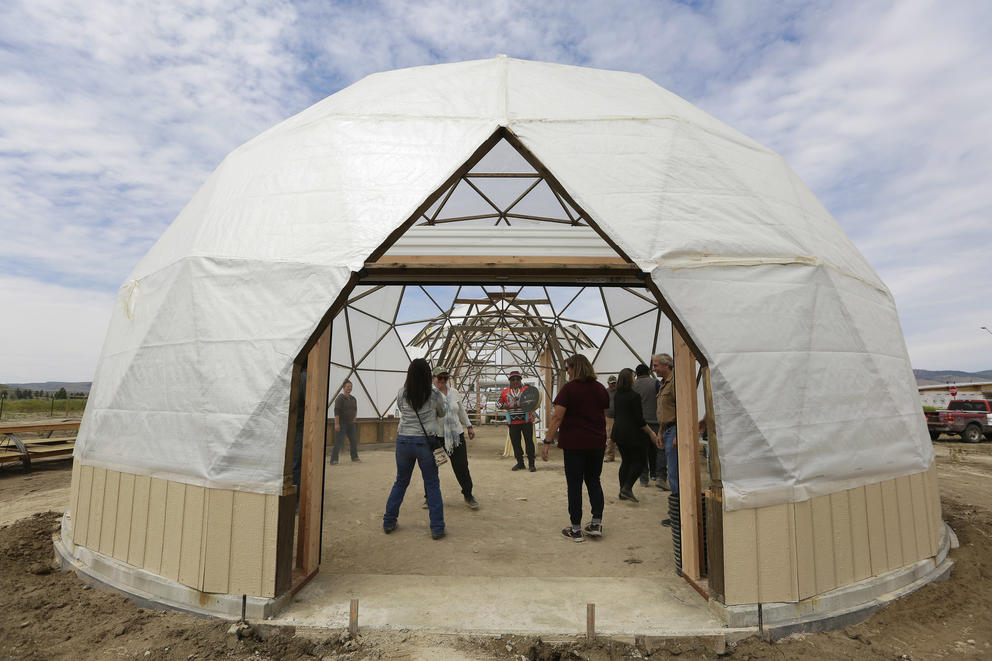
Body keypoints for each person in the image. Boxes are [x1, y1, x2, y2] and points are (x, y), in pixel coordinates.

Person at [541, 354, 610, 542]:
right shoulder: (600, 389)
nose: (567, 371)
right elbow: (602, 414)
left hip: (575, 444)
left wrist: (547, 441)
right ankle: (596, 523)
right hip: (596, 443)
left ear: (575, 368)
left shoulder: (569, 389)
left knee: (574, 484)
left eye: (568, 368)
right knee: (594, 481)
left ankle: (576, 529)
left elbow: (557, 417)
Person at [383, 358, 447, 539]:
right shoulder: (434, 394)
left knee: (401, 482)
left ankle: (389, 521)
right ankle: (437, 527)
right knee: (432, 483)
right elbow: (442, 412)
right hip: (425, 442)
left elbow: (403, 411)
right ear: (428, 375)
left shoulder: (402, 393)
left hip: (403, 440)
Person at [432, 366, 479, 509]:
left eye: (445, 377)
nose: (442, 380)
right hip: (437, 437)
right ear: (433, 378)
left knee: (462, 466)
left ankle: (468, 494)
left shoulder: (454, 392)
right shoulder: (429, 395)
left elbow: (461, 411)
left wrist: (469, 426)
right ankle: (430, 497)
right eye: (439, 377)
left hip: (456, 435)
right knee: (432, 468)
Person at [611, 368, 660, 502]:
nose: (635, 378)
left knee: (626, 461)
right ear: (629, 379)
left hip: (619, 432)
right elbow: (639, 419)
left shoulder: (617, 395)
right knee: (640, 462)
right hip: (631, 434)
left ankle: (623, 491)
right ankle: (627, 488)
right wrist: (650, 433)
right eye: (633, 376)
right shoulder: (634, 396)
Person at [652, 353, 678, 526]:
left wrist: (679, 434)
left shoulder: (675, 382)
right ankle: (676, 512)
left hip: (675, 430)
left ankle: (678, 515)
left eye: (656, 365)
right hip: (667, 430)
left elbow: (683, 408)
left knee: (674, 473)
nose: (654, 369)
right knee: (672, 472)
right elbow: (664, 413)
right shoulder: (663, 384)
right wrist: (660, 432)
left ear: (666, 365)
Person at [498, 370, 537, 472]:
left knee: (529, 443)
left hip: (526, 421)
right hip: (513, 423)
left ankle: (532, 464)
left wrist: (524, 404)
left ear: (520, 380)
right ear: (510, 381)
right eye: (513, 379)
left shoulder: (527, 389)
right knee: (516, 444)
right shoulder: (504, 392)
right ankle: (520, 463)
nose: (515, 381)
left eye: (517, 379)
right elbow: (498, 404)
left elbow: (534, 400)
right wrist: (503, 406)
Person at [633, 363, 662, 487]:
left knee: (642, 452)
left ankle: (643, 479)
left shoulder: (633, 385)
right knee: (656, 450)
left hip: (639, 424)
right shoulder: (655, 383)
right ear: (648, 372)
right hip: (655, 422)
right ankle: (656, 475)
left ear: (637, 373)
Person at [331, 379, 361, 464]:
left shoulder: (353, 398)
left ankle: (354, 457)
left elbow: (355, 409)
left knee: (354, 441)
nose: (349, 388)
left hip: (351, 423)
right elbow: (336, 411)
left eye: (351, 387)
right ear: (343, 388)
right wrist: (337, 424)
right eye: (348, 386)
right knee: (339, 441)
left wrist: (355, 417)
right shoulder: (340, 398)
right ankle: (334, 460)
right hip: (342, 423)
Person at [604, 375, 618, 462]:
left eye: (614, 383)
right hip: (609, 416)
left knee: (622, 436)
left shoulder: (619, 391)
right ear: (608, 383)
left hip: (619, 416)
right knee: (610, 436)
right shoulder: (605, 392)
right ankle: (610, 455)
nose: (613, 385)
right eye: (611, 383)